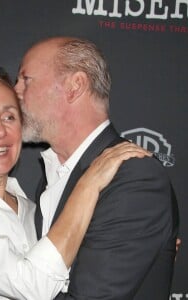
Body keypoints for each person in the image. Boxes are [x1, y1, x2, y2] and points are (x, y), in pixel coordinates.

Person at [0, 65, 150, 300]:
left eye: (9, 117)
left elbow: (73, 281)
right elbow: (32, 286)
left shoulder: (34, 209)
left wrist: (138, 245)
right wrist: (89, 184)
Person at [14, 37, 179, 299]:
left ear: (74, 86)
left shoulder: (133, 178)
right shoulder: (53, 178)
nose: (15, 92)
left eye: (26, 80)